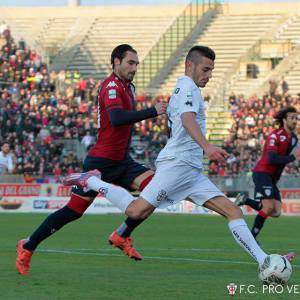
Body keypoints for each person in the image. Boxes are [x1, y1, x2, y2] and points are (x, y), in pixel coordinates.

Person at [63, 46, 295, 269]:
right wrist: (208, 147)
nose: (209, 75)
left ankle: (265, 261)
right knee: (136, 211)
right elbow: (187, 119)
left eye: (212, 70)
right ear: (189, 66)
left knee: (233, 211)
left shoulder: (184, 89)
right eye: (205, 69)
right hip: (178, 166)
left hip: (190, 170)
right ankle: (91, 181)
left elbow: (178, 124)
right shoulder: (187, 88)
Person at [16, 44, 167, 276]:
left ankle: (121, 235)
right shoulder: (111, 86)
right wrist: (152, 111)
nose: (134, 67)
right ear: (116, 62)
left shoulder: (129, 87)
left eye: (136, 63)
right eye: (131, 62)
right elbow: (116, 118)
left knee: (157, 190)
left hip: (123, 161)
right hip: (100, 163)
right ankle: (27, 246)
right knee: (73, 212)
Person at [235, 106, 299, 241]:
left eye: (296, 118)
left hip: (272, 178)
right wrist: (293, 157)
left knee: (276, 211)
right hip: (262, 173)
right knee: (269, 207)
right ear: (284, 119)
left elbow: (284, 158)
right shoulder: (274, 135)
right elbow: (272, 158)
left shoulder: (293, 139)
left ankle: (245, 200)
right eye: (292, 118)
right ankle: (250, 239)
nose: (295, 121)